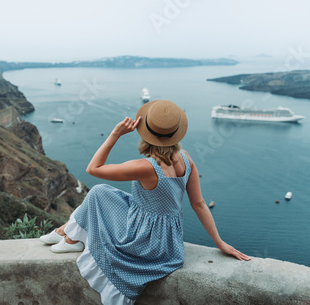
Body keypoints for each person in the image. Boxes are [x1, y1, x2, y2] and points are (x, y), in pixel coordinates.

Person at [40, 100, 250, 304]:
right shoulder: (186, 158)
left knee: (97, 192)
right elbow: (199, 204)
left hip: (144, 238)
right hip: (168, 243)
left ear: (146, 132)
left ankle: (70, 237)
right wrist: (219, 242)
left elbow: (93, 168)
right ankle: (65, 232)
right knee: (103, 192)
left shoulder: (146, 167)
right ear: (176, 133)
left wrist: (115, 134)